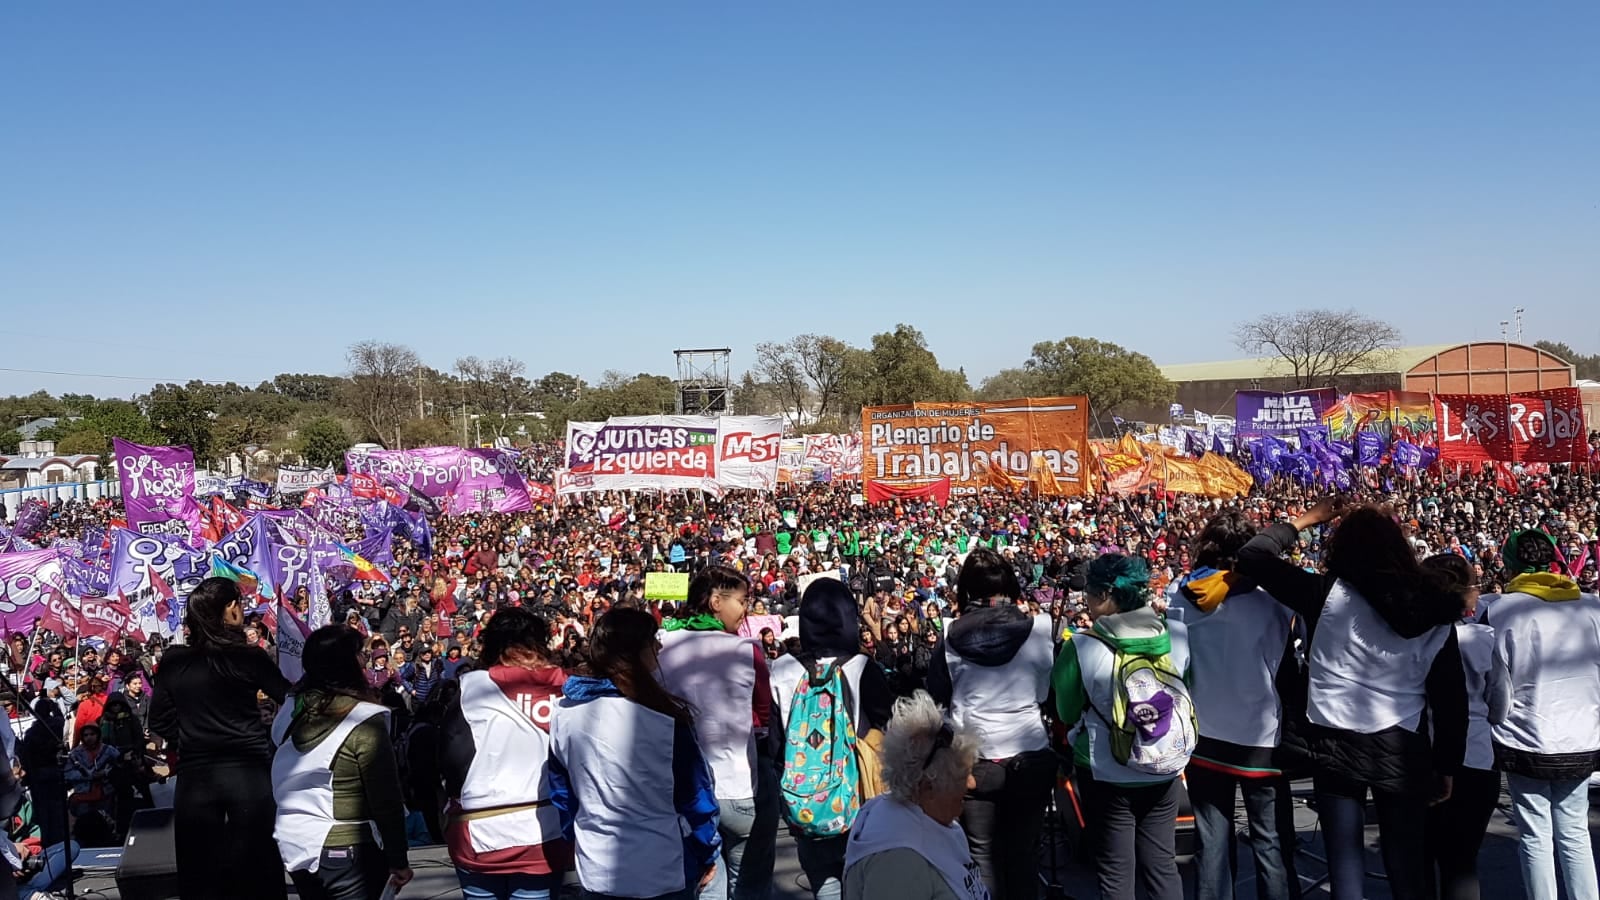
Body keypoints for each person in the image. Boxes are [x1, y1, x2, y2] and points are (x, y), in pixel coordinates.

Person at [1235, 501, 1468, 900]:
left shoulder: (1322, 593)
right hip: (1404, 745)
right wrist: (1447, 765)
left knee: (1345, 870)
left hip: (1336, 742)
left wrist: (1303, 521)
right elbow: (1450, 700)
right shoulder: (1437, 610)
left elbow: (1253, 555)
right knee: (1408, 867)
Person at [1164, 512, 1295, 900]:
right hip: (1262, 735)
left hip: (1206, 733)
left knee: (1212, 844)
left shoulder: (1182, 592)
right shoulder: (1273, 596)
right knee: (1270, 844)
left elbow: (1175, 663)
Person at [549, 608, 721, 900]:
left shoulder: (563, 714)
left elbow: (562, 797)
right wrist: (707, 851)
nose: (660, 646)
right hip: (664, 867)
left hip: (597, 867)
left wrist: (576, 836)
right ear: (634, 651)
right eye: (653, 639)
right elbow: (696, 798)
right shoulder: (666, 719)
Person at [1052, 553, 1192, 900]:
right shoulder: (1177, 633)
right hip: (1165, 762)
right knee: (1161, 864)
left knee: (1116, 870)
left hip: (1105, 769)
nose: (1084, 601)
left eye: (1088, 594)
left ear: (1104, 596)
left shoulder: (1081, 646)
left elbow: (1066, 711)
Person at [149, 576, 292, 900]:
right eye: (239, 603)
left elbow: (158, 720)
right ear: (229, 608)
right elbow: (289, 698)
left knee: (199, 875)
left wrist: (189, 737)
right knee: (261, 870)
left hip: (196, 777)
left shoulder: (174, 660)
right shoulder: (249, 657)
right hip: (249, 774)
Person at [926, 547, 1055, 900]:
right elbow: (1045, 692)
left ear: (967, 589)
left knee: (981, 855)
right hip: (1030, 755)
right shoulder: (1040, 629)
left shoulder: (951, 634)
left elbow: (937, 695)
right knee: (1024, 855)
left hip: (975, 759)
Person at [1485, 529, 1600, 900]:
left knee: (1536, 836)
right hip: (1582, 736)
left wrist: (1495, 723)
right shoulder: (1592, 606)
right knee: (1575, 832)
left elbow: (1498, 688)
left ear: (1510, 564)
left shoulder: (1500, 610)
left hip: (1526, 738)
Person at [655, 565, 776, 900]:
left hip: (683, 791)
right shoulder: (747, 649)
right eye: (741, 600)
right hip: (739, 788)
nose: (746, 609)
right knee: (749, 885)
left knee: (705, 885)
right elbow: (763, 715)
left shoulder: (662, 645)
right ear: (714, 602)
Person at [770, 578, 895, 900]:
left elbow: (773, 743)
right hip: (857, 798)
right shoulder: (861, 667)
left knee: (823, 883)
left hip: (803, 799)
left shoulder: (781, 669)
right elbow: (888, 727)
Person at [440, 607, 572, 900]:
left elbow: (452, 757)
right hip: (545, 829)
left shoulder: (471, 687)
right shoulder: (567, 687)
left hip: (479, 828)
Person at [270, 625, 410, 900]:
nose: (364, 660)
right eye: (359, 653)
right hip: (347, 845)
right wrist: (398, 858)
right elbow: (385, 796)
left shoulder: (289, 709)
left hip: (295, 842)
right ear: (346, 663)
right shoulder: (365, 718)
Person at [841, 690, 988, 900]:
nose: (972, 783)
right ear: (928, 787)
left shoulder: (913, 816)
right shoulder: (898, 862)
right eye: (962, 776)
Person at [1420, 553, 1499, 900]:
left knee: (1419, 860)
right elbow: (1502, 700)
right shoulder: (1483, 638)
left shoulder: (1410, 637)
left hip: (1420, 752)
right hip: (1476, 754)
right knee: (1462, 862)